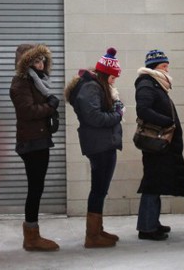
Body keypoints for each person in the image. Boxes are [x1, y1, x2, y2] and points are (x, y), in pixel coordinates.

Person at [65, 47, 123, 248]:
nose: (114, 80)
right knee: (99, 188)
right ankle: (92, 236)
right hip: (100, 145)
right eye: (113, 77)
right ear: (106, 74)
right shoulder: (92, 88)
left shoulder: (96, 87)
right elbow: (95, 117)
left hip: (103, 142)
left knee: (100, 188)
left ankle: (97, 230)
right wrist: (118, 114)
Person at [134, 50, 184, 241]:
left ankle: (152, 222)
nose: (167, 68)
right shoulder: (147, 84)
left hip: (161, 144)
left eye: (167, 65)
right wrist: (167, 122)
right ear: (153, 67)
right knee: (152, 184)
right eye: (163, 65)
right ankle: (147, 228)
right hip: (155, 143)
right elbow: (143, 110)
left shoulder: (156, 84)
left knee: (156, 183)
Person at [9, 44, 60, 251]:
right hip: (31, 142)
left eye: (42, 60)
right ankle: (31, 236)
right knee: (35, 188)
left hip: (39, 139)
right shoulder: (20, 83)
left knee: (37, 187)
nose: (41, 64)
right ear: (26, 63)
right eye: (36, 61)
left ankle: (32, 234)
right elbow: (27, 111)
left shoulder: (37, 81)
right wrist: (50, 106)